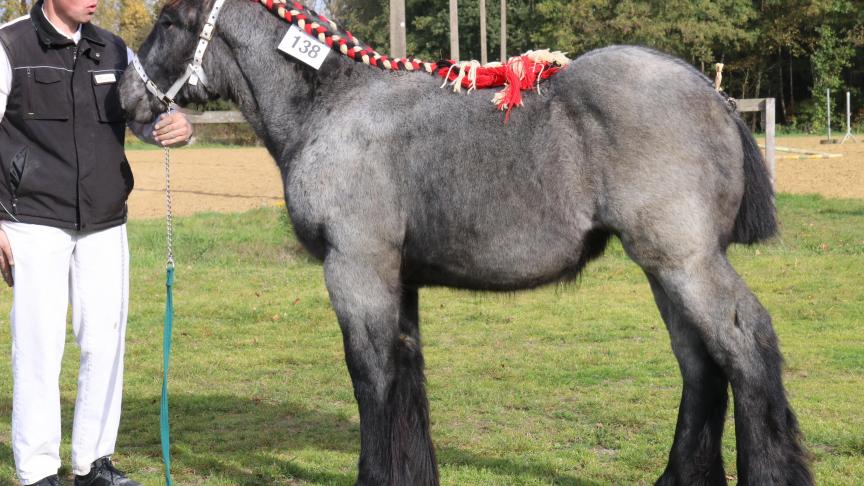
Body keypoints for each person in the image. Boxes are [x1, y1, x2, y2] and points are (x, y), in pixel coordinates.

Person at [0, 0, 193, 484]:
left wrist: (174, 128)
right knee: (39, 346)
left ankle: (93, 464)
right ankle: (37, 470)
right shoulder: (10, 45)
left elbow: (142, 117)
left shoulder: (115, 50)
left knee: (105, 341)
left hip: (106, 220)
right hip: (33, 220)